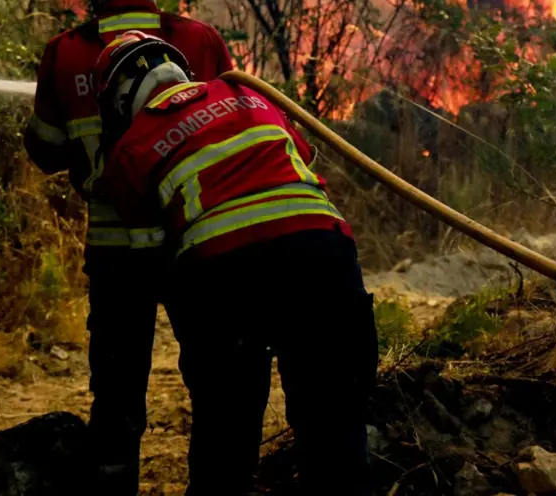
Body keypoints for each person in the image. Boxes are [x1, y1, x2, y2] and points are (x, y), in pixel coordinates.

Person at [93, 31, 379, 496]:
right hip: (322, 255)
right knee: (335, 423)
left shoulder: (131, 149)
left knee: (225, 436)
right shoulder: (250, 95)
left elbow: (149, 261)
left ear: (121, 99)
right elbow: (299, 160)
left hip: (223, 276)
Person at [22, 0, 234, 495]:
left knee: (116, 397)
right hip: (194, 246)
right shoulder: (199, 41)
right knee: (217, 386)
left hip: (115, 259)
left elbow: (45, 150)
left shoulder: (64, 54)